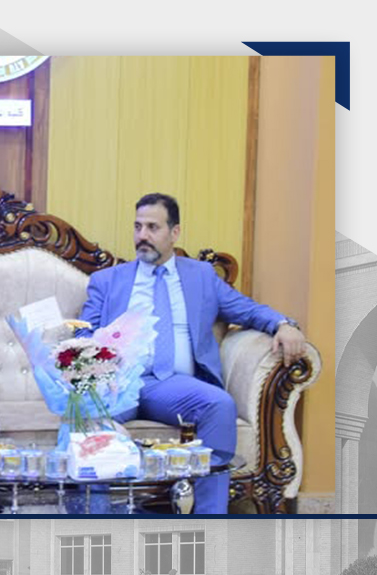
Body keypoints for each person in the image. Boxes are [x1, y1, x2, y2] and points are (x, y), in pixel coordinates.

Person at [78, 193, 307, 514]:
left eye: (153, 227)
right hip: (119, 382)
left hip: (174, 385)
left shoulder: (201, 276)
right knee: (85, 412)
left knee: (219, 404)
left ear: (175, 232)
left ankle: (210, 520)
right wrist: (96, 357)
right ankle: (96, 518)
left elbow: (246, 309)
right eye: (138, 227)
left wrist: (284, 324)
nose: (142, 235)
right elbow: (83, 332)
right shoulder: (107, 281)